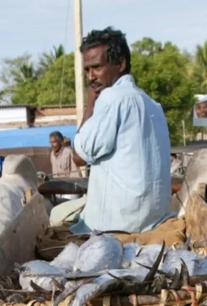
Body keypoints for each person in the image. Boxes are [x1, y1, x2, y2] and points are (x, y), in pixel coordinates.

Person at [70, 27, 171, 234]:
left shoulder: (112, 98)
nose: (91, 77)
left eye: (96, 67)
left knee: (56, 215)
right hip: (152, 220)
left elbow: (78, 158)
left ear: (121, 63)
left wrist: (91, 102)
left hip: (117, 225)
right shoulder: (153, 105)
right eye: (87, 70)